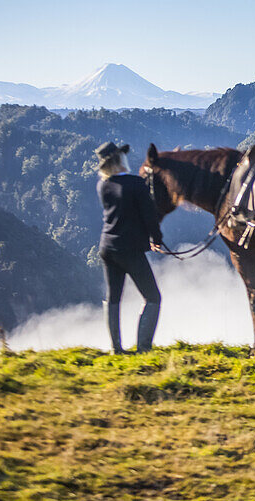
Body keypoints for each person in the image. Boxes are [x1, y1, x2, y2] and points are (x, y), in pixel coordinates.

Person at [95, 141, 163, 354]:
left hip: (107, 247)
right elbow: (149, 215)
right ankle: (143, 348)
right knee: (153, 297)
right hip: (130, 249)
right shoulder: (136, 184)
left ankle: (116, 348)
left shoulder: (103, 185)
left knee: (113, 296)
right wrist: (156, 238)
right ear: (119, 160)